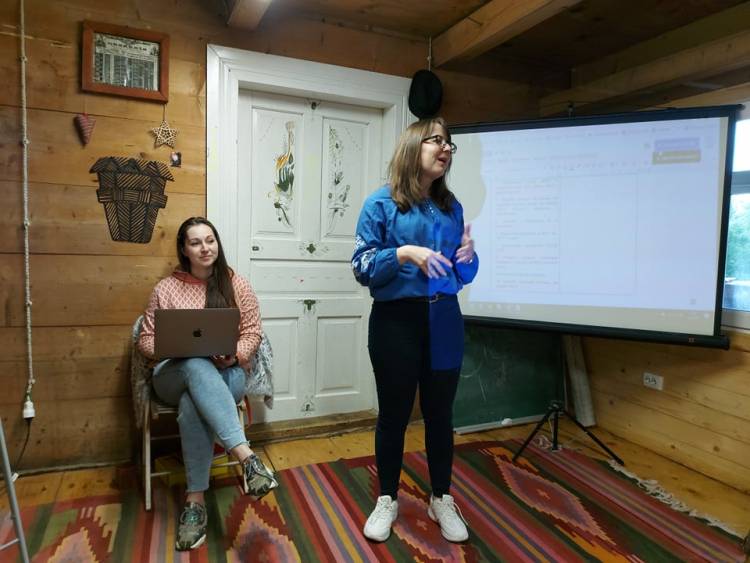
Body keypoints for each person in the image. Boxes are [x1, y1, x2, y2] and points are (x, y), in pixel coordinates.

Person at [351, 117, 478, 543]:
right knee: (394, 415)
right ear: (412, 146)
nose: (445, 148)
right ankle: (387, 497)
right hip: (396, 323)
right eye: (436, 140)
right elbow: (361, 267)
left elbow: (461, 275)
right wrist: (404, 253)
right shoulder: (380, 204)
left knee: (441, 415)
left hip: (445, 319)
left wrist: (469, 258)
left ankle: (441, 497)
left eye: (449, 143)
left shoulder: (451, 206)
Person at [137, 216, 278, 551]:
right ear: (184, 249)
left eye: (210, 240)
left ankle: (195, 502)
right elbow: (145, 340)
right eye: (196, 242)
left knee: (193, 403)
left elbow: (252, 332)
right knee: (194, 362)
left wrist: (234, 355)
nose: (205, 248)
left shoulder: (237, 284)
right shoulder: (165, 289)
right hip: (173, 375)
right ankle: (247, 458)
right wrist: (175, 347)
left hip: (227, 374)